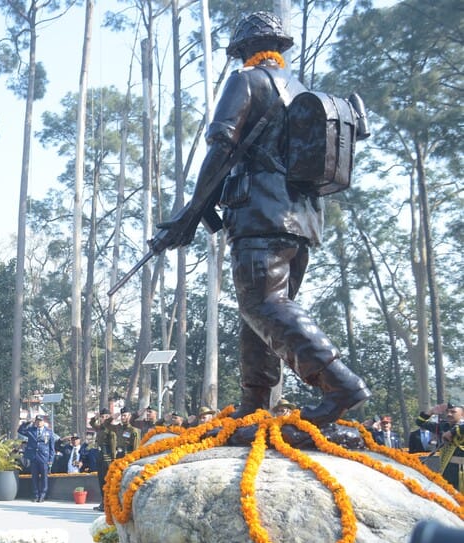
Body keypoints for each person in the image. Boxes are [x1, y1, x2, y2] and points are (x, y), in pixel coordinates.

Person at [152, 11, 370, 430]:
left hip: (260, 216)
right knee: (261, 316)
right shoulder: (300, 90)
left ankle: (340, 384)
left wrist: (190, 211)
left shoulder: (246, 81)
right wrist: (196, 213)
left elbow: (221, 147)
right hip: (301, 221)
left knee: (263, 306)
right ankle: (256, 403)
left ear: (243, 49)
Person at [18, 415, 55, 502]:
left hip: (44, 457)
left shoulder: (49, 432)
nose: (38, 423)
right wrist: (27, 422)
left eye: (40, 421)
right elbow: (20, 430)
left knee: (44, 477)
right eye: (37, 421)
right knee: (34, 477)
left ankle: (43, 495)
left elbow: (52, 448)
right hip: (33, 457)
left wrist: (51, 460)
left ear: (43, 422)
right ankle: (36, 495)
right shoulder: (31, 430)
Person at [89, 409, 115, 511]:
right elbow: (91, 423)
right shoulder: (100, 428)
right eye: (102, 417)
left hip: (107, 458)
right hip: (100, 457)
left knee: (108, 482)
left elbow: (113, 445)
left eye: (105, 417)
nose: (103, 419)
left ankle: (109, 504)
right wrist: (96, 417)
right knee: (101, 481)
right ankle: (103, 502)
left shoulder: (111, 429)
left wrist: (113, 459)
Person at [438, 403, 464, 492]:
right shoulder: (444, 426)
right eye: (447, 412)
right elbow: (420, 422)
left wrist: (452, 432)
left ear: (462, 414)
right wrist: (431, 412)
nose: (449, 414)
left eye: (453, 412)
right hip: (448, 469)